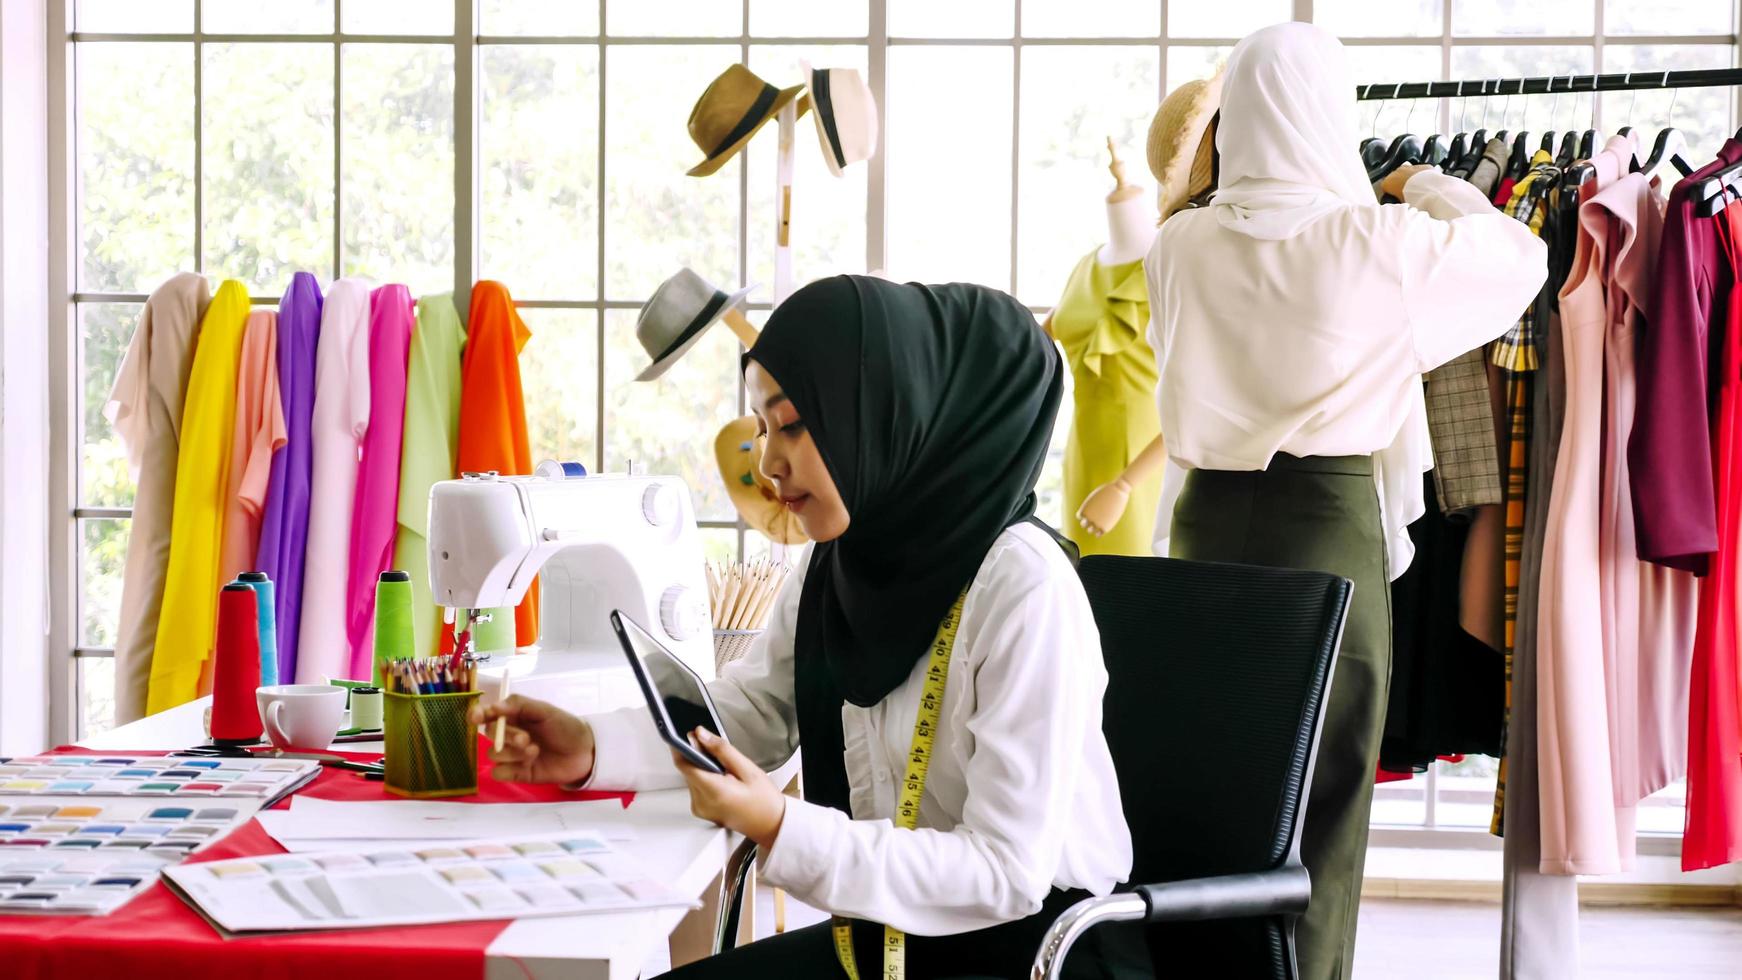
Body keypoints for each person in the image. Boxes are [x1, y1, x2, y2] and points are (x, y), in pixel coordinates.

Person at [475, 276, 1146, 978]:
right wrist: (591, 745)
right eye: (763, 427)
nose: (767, 462)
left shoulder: (1023, 587)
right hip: (895, 943)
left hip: (1040, 952)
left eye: (793, 424)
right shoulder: (841, 563)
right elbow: (756, 711)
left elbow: (1005, 873)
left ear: (890, 415)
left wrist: (781, 826)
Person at [1144, 23, 1548, 980]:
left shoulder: (1178, 244)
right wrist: (1420, 182)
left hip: (1202, 533)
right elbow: (1518, 256)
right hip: (1323, 528)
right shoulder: (1375, 240)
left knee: (1211, 791)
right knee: (1322, 803)